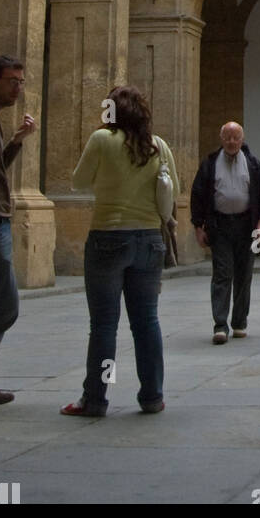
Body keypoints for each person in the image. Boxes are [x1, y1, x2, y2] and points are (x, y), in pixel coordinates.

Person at [62, 85, 179, 416]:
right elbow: (175, 190)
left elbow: (78, 181)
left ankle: (97, 397)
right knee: (146, 322)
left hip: (108, 238)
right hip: (148, 240)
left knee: (104, 324)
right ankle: (152, 396)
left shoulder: (101, 139)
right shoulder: (159, 146)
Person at [0, 54, 37, 405]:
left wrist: (16, 140)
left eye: (21, 82)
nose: (18, 88)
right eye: (12, 81)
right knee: (5, 306)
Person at [190, 121, 260, 343]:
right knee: (222, 274)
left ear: (242, 139)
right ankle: (220, 324)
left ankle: (239, 322)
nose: (231, 141)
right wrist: (198, 227)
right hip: (220, 226)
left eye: (236, 137)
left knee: (244, 275)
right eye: (227, 137)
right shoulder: (209, 164)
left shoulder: (253, 164)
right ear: (221, 139)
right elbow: (197, 196)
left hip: (247, 225)